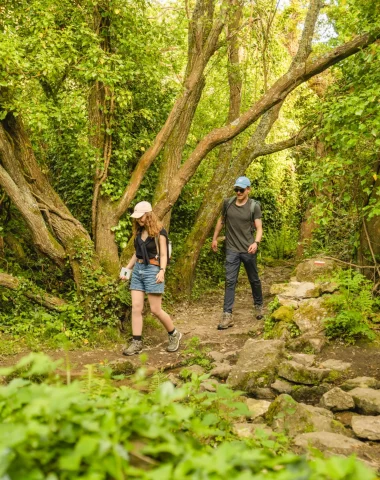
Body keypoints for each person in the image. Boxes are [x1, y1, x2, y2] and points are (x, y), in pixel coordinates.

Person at [120, 201, 182, 355]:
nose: (138, 220)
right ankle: (136, 343)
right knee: (136, 307)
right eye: (137, 217)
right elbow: (137, 253)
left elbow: (163, 254)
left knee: (155, 310)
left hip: (153, 270)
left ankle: (174, 334)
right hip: (138, 270)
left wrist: (162, 271)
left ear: (149, 214)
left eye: (141, 217)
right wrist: (127, 269)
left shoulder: (160, 232)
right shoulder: (139, 232)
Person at [212, 176, 263, 329]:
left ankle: (259, 305)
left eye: (241, 190)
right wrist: (214, 238)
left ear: (248, 190)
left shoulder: (254, 206)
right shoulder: (227, 203)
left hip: (248, 249)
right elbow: (221, 221)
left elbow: (259, 228)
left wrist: (256, 243)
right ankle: (227, 315)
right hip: (232, 250)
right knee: (230, 281)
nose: (238, 192)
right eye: (236, 189)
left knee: (253, 279)